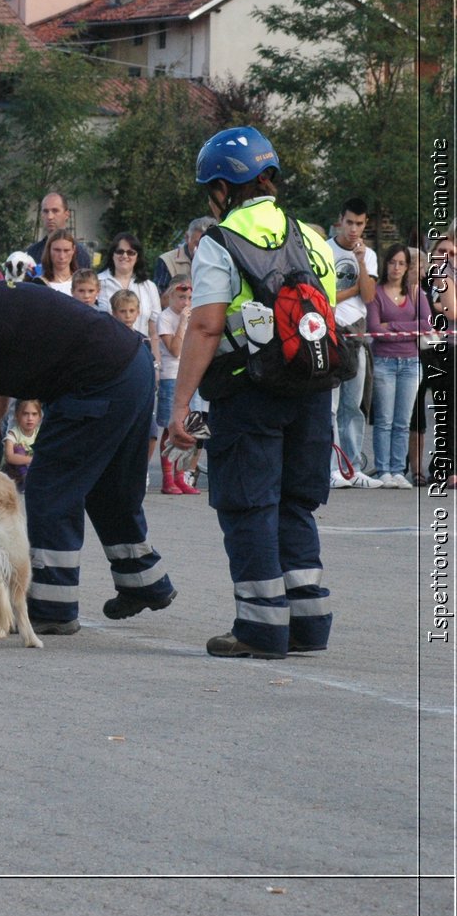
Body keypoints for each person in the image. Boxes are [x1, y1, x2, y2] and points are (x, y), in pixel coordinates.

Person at [0, 224, 176, 635]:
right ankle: (145, 582)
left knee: (52, 488)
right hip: (132, 369)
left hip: (98, 383)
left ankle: (53, 606)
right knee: (110, 489)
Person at [167, 125, 335, 659]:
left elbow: (206, 327)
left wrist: (181, 406)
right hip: (311, 388)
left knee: (248, 504)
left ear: (224, 185)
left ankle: (261, 628)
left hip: (249, 392)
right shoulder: (311, 235)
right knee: (295, 504)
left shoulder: (221, 240)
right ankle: (309, 624)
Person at [365, 243, 431, 489]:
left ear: (407, 267)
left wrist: (391, 327)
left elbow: (426, 324)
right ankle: (383, 469)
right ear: (386, 264)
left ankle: (397, 469)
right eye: (392, 262)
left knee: (403, 420)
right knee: (384, 420)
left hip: (411, 363)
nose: (396, 267)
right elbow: (374, 329)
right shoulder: (376, 293)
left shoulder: (416, 293)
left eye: (402, 263)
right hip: (384, 362)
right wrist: (407, 329)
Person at [329, 197, 379, 488]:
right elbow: (328, 296)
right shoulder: (325, 248)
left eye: (359, 224)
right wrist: (354, 289)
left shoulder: (368, 256)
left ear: (365, 224)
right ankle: (333, 467)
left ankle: (352, 466)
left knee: (353, 405)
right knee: (331, 407)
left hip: (356, 335)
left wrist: (360, 261)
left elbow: (370, 296)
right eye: (349, 222)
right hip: (331, 331)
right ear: (340, 220)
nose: (353, 229)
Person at [415, 235, 456, 486]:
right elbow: (442, 308)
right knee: (431, 410)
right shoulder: (428, 278)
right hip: (428, 348)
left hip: (444, 346)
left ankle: (444, 464)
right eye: (441, 251)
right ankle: (433, 466)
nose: (447, 256)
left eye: (451, 253)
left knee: (448, 410)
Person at [156, 274, 198, 495]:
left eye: (189, 298)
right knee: (171, 428)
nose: (186, 303)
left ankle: (181, 476)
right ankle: (167, 478)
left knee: (189, 428)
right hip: (171, 376)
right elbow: (175, 350)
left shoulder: (192, 316)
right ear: (170, 295)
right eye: (181, 297)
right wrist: (182, 323)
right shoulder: (165, 317)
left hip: (190, 375)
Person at [25, 193, 94, 273]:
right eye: (46, 211)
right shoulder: (32, 253)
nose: (50, 217)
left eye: (55, 211)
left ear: (67, 214)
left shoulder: (79, 253)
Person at [152, 216, 216, 294]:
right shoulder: (167, 260)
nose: (201, 249)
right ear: (186, 238)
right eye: (197, 244)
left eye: (207, 245)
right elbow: (159, 300)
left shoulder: (220, 261)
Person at [2, 398, 40, 492]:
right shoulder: (13, 434)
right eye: (25, 414)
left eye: (34, 414)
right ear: (17, 416)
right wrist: (32, 460)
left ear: (39, 417)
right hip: (16, 471)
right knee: (19, 449)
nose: (30, 418)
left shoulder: (39, 433)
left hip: (34, 469)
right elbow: (9, 457)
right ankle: (24, 481)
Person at [38, 228, 80, 295]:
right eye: (57, 250)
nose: (62, 256)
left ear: (73, 250)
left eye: (66, 250)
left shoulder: (83, 282)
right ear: (49, 250)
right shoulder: (39, 284)